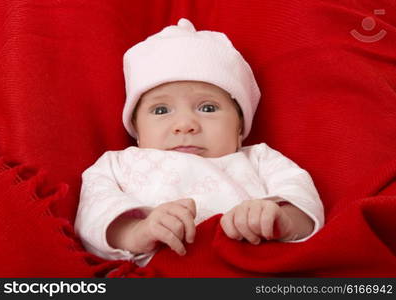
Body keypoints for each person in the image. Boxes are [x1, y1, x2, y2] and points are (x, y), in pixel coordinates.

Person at [74, 18, 324, 267]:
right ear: (137, 131)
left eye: (208, 107)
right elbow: (93, 216)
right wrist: (139, 231)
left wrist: (281, 219)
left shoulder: (260, 159)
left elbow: (303, 201)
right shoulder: (116, 164)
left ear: (239, 128)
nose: (185, 124)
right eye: (161, 110)